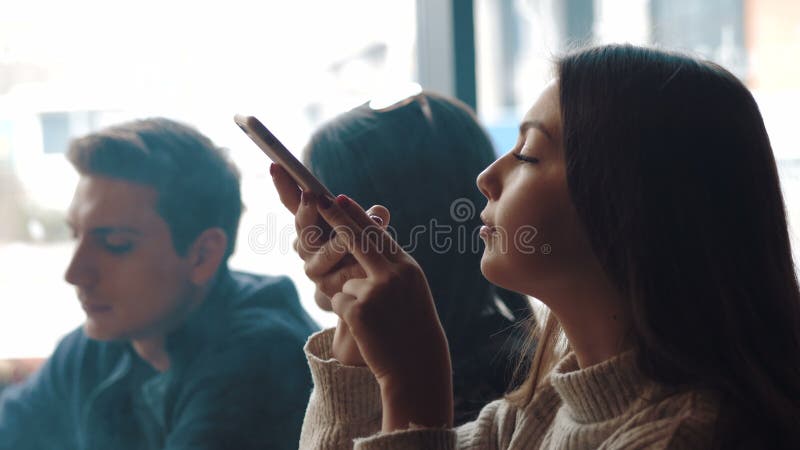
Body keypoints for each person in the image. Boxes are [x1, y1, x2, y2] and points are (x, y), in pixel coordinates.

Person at [272, 44, 800, 449]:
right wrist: (357, 357)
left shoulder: (686, 436)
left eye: (526, 154)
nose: (485, 177)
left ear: (628, 202)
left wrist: (413, 387)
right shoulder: (536, 408)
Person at [0, 118, 319, 450]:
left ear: (202, 256)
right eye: (75, 235)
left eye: (116, 243)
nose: (75, 273)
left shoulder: (258, 362)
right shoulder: (99, 345)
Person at [301, 91, 533, 424]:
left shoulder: (475, 398)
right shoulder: (501, 353)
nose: (305, 230)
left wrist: (351, 375)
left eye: (322, 208)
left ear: (383, 226)